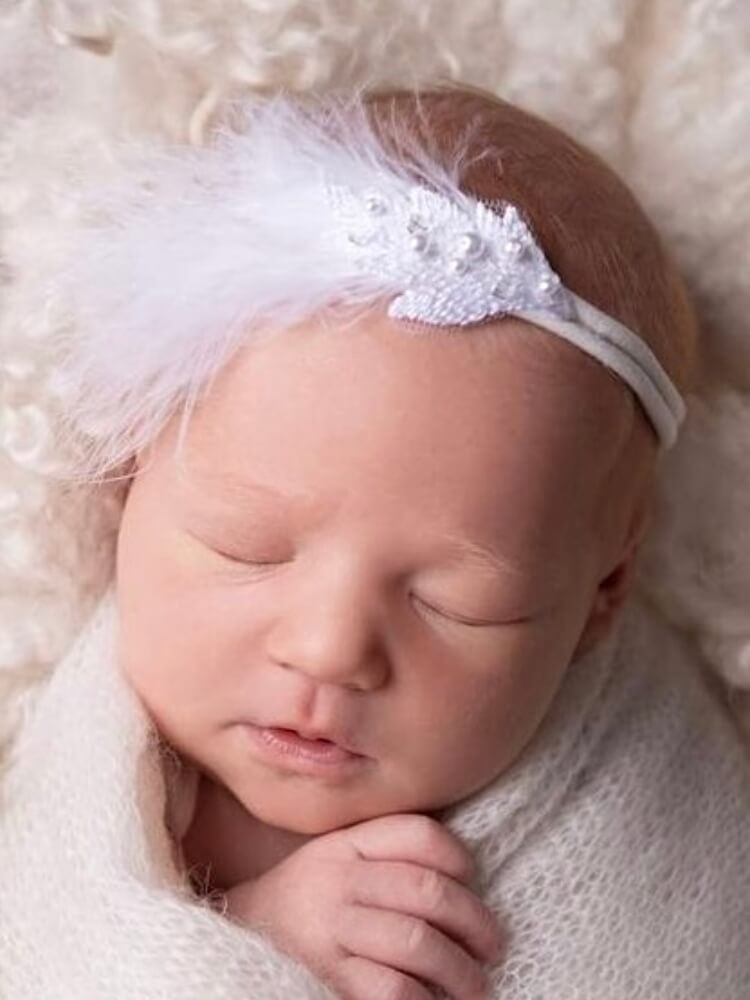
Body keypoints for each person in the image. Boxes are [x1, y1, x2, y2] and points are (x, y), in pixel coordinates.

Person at [1, 86, 748, 1000]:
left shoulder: (642, 788)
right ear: (126, 484)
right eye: (251, 548)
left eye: (454, 601)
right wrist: (257, 938)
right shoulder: (86, 781)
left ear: (606, 588)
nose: (330, 649)